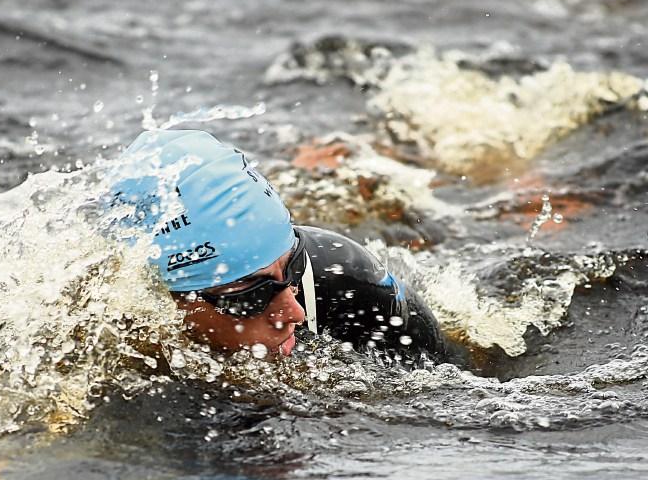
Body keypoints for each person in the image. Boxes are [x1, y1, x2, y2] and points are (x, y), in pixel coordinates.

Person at [101, 129, 446, 360]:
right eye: (250, 291)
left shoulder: (351, 284)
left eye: (291, 266)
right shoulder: (100, 339)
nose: (293, 312)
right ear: (164, 296)